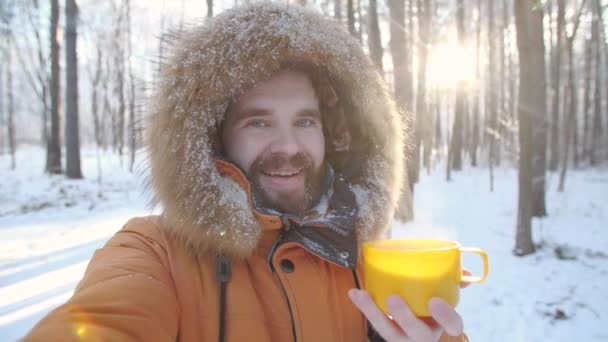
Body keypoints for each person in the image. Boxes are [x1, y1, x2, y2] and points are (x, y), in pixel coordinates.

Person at [25, 2, 468, 341]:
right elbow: (106, 318)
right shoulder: (153, 253)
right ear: (216, 136)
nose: (288, 147)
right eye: (258, 122)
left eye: (304, 121)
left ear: (332, 132)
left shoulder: (366, 257)